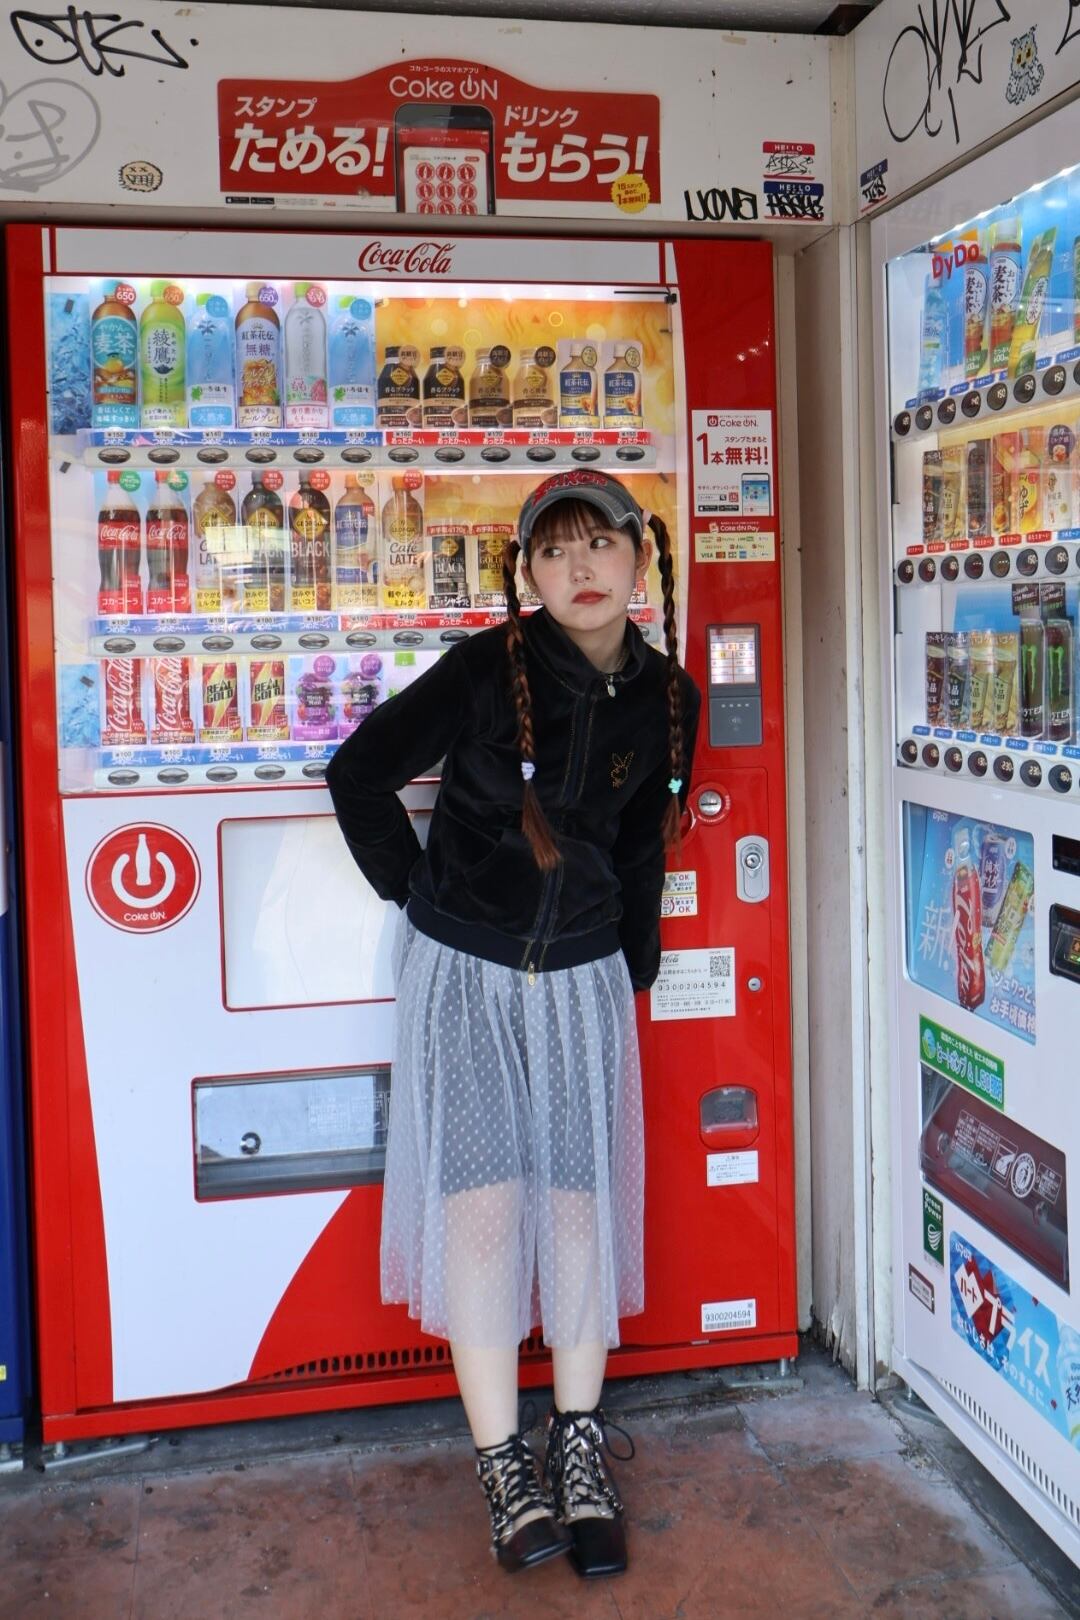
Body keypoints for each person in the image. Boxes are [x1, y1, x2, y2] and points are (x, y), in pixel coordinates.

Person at [326, 470, 701, 1579]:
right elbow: (358, 775)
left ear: (641, 557)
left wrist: (629, 970)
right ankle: (503, 1467)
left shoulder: (669, 697)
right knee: (485, 1218)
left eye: (601, 545)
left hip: (583, 990)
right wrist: (420, 896)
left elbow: (640, 851)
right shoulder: (486, 669)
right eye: (555, 551)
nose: (581, 569)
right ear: (527, 571)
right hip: (468, 983)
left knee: (582, 1218)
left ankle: (577, 1450)